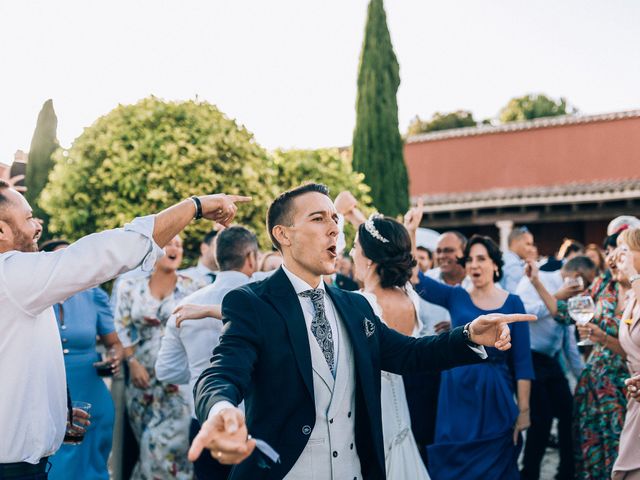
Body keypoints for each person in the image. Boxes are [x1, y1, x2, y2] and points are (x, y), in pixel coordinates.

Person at [188, 183, 535, 480]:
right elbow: (221, 372)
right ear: (284, 235)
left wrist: (469, 335)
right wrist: (221, 410)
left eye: (335, 220)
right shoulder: (252, 303)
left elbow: (409, 354)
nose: (334, 229)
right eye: (319, 218)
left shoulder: (355, 306)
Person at [0, 178, 249, 479]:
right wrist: (194, 206)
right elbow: (104, 253)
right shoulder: (10, 275)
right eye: (28, 219)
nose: (37, 226)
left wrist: (44, 421)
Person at [414, 234, 534, 480]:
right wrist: (411, 230)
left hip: (494, 394)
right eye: (470, 259)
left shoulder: (513, 303)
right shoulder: (456, 296)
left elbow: (522, 363)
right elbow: (416, 279)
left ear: (495, 265)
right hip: (455, 393)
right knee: (454, 464)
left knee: (496, 465)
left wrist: (523, 411)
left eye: (481, 258)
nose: (474, 265)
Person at [155, 226, 260, 480]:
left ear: (216, 257)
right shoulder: (264, 300)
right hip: (254, 424)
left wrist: (198, 374)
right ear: (251, 258)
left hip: (204, 420)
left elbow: (166, 370)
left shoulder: (186, 305)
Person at [349, 213, 430, 479]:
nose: (351, 253)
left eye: (355, 247)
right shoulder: (410, 297)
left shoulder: (362, 304)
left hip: (367, 411)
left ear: (370, 259)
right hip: (400, 412)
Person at [114, 235, 200, 479]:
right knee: (145, 441)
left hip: (178, 376)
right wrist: (133, 363)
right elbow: (121, 326)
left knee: (175, 444)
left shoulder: (194, 285)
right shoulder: (129, 286)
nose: (174, 249)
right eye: (169, 244)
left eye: (179, 245)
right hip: (142, 376)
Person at [37, 239, 124, 480]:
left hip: (91, 394)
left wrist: (114, 358)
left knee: (91, 469)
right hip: (48, 393)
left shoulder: (94, 295)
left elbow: (114, 344)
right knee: (55, 468)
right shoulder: (35, 297)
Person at [517, 256, 596, 480]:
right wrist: (555, 298)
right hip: (528, 356)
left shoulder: (574, 297)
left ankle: (566, 473)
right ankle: (529, 473)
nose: (588, 288)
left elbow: (568, 339)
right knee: (540, 420)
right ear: (576, 275)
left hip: (550, 360)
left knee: (569, 413)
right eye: (587, 282)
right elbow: (522, 311)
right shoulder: (536, 278)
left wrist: (583, 376)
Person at [611, 228, 640, 480]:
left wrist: (633, 274)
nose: (618, 256)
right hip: (636, 399)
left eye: (624, 250)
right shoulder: (632, 296)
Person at [501, 226, 535, 293]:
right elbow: (515, 296)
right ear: (515, 242)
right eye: (528, 244)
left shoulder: (506, 259)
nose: (531, 249)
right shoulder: (513, 265)